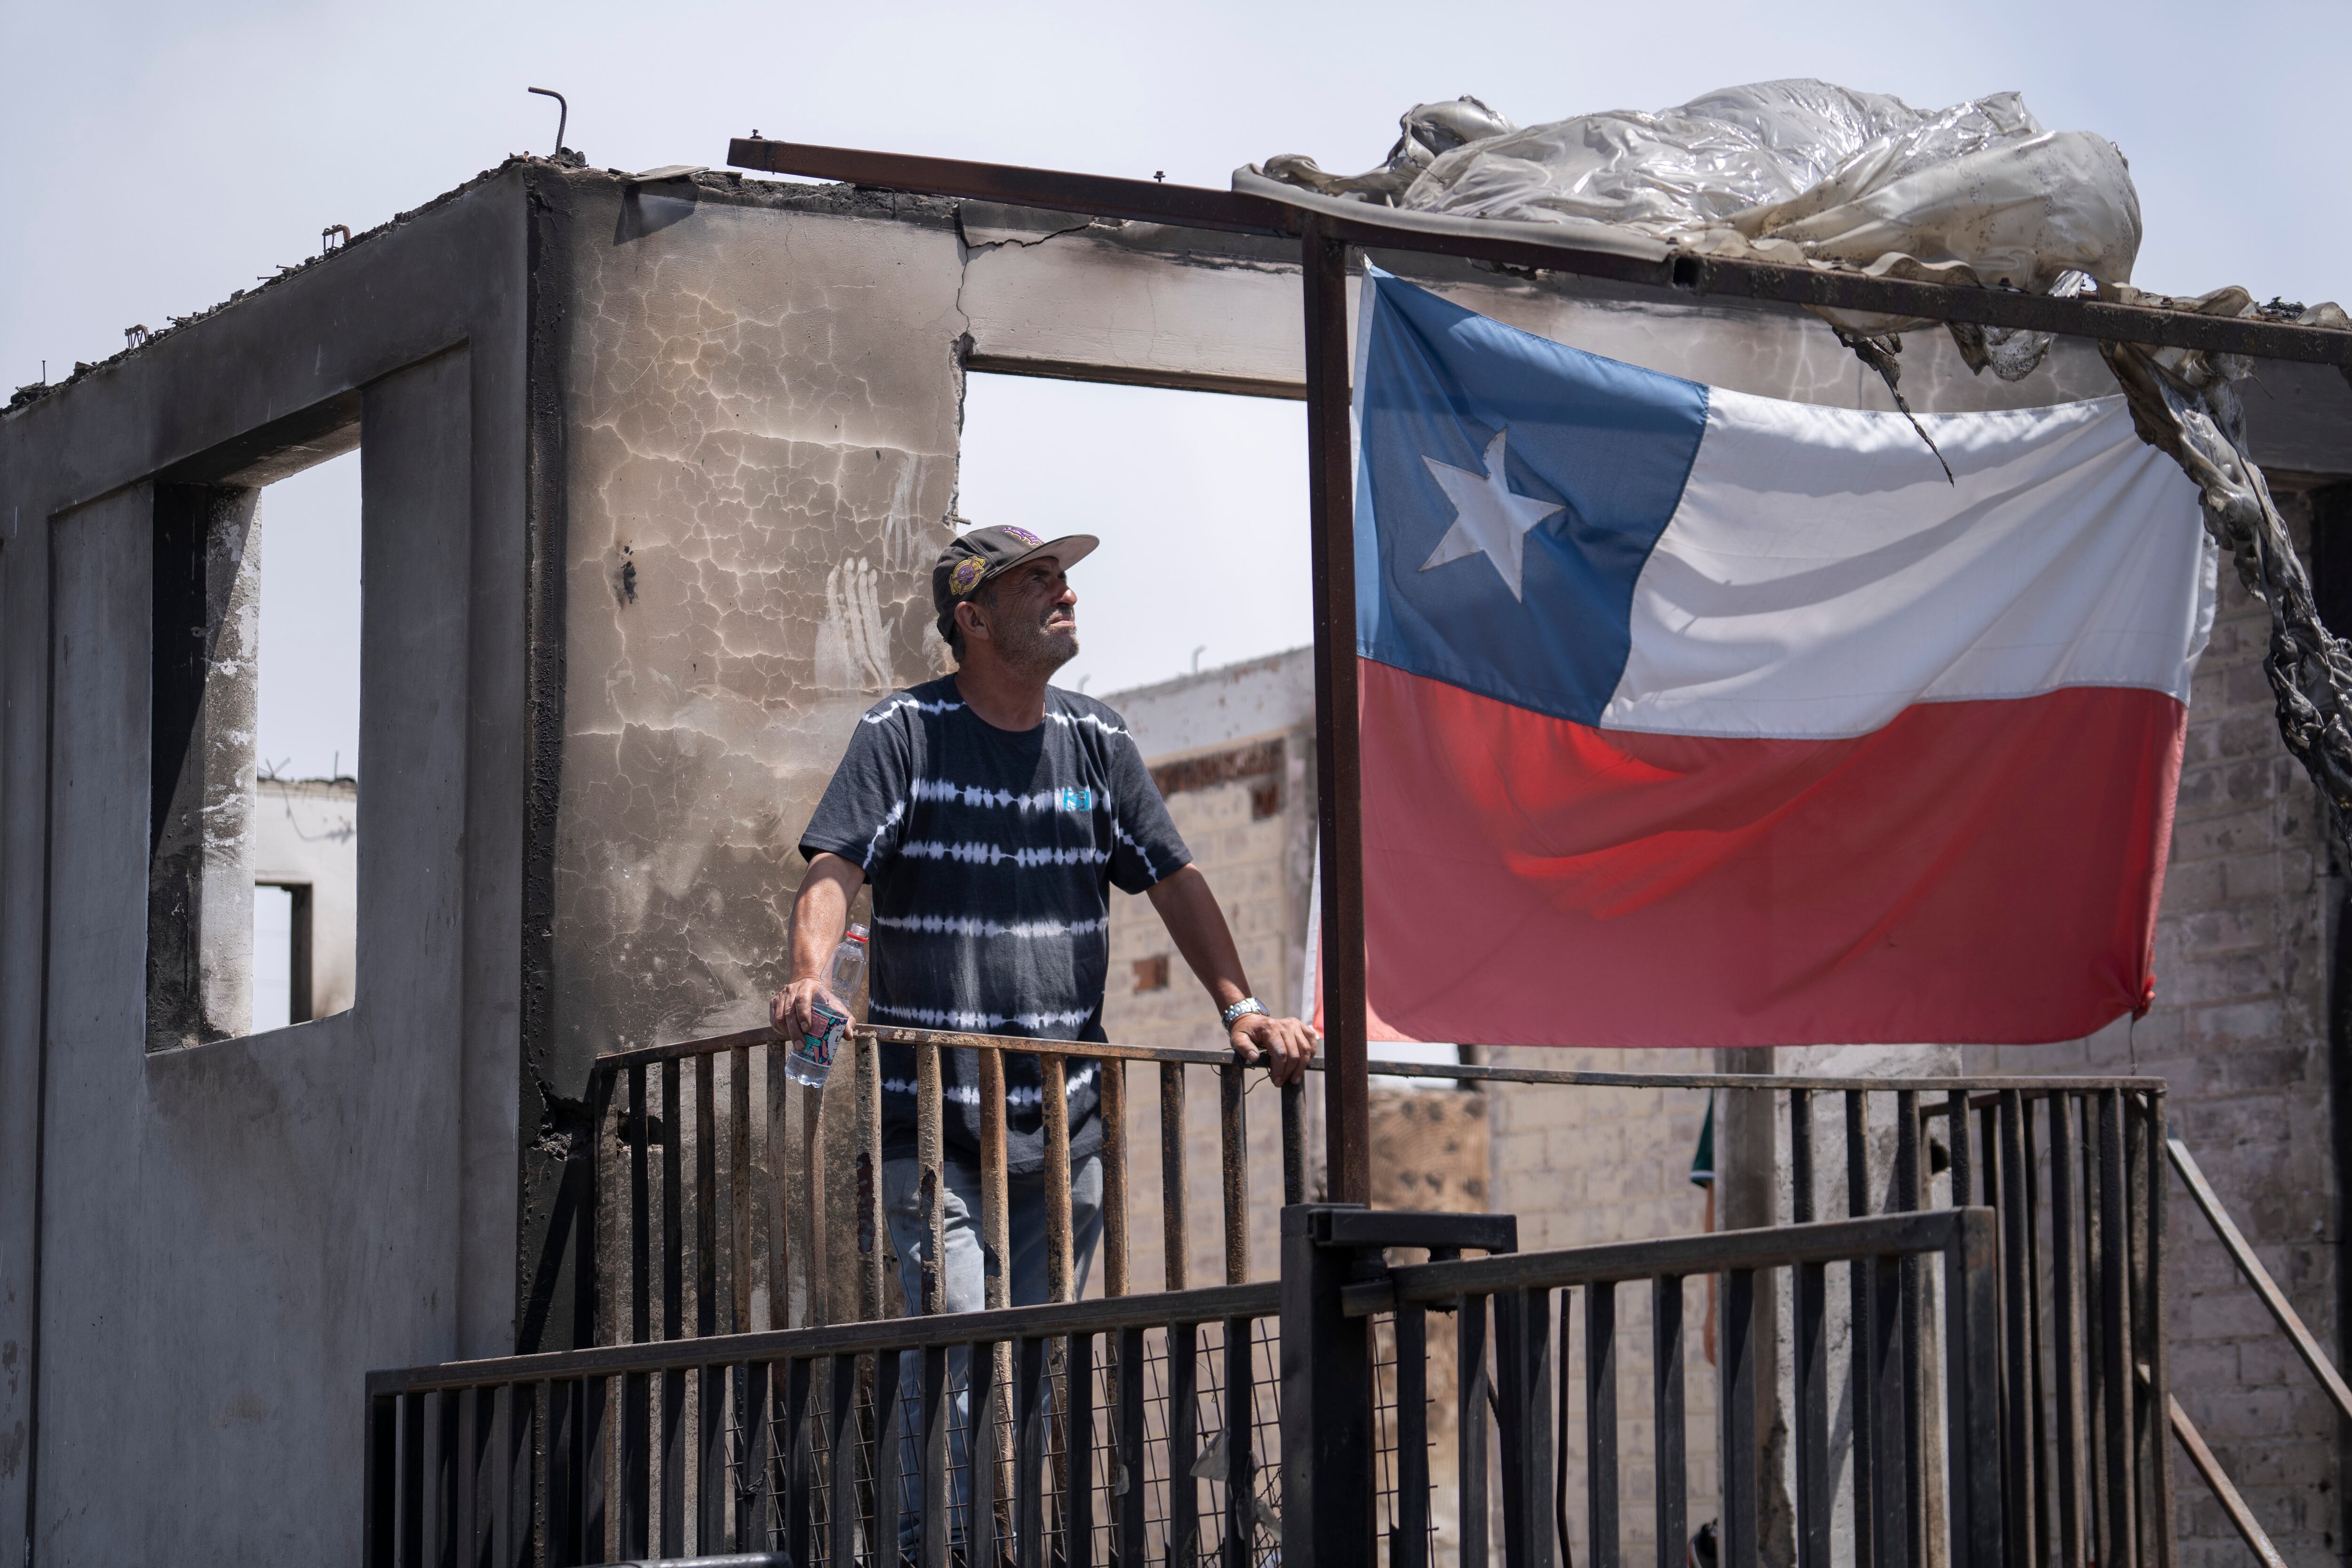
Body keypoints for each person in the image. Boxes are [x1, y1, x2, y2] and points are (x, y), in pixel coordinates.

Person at [773, 522, 1318, 1548]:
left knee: (1026, 1370)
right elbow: (834, 863)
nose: (1059, 591)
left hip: (1066, 1131)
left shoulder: (1099, 740)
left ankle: (986, 1543)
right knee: (957, 1354)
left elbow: (1175, 877)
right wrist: (809, 976)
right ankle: (922, 1547)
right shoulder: (903, 731)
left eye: (1060, 577)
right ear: (971, 619)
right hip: (932, 1124)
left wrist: (1241, 1007)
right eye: (1032, 582)